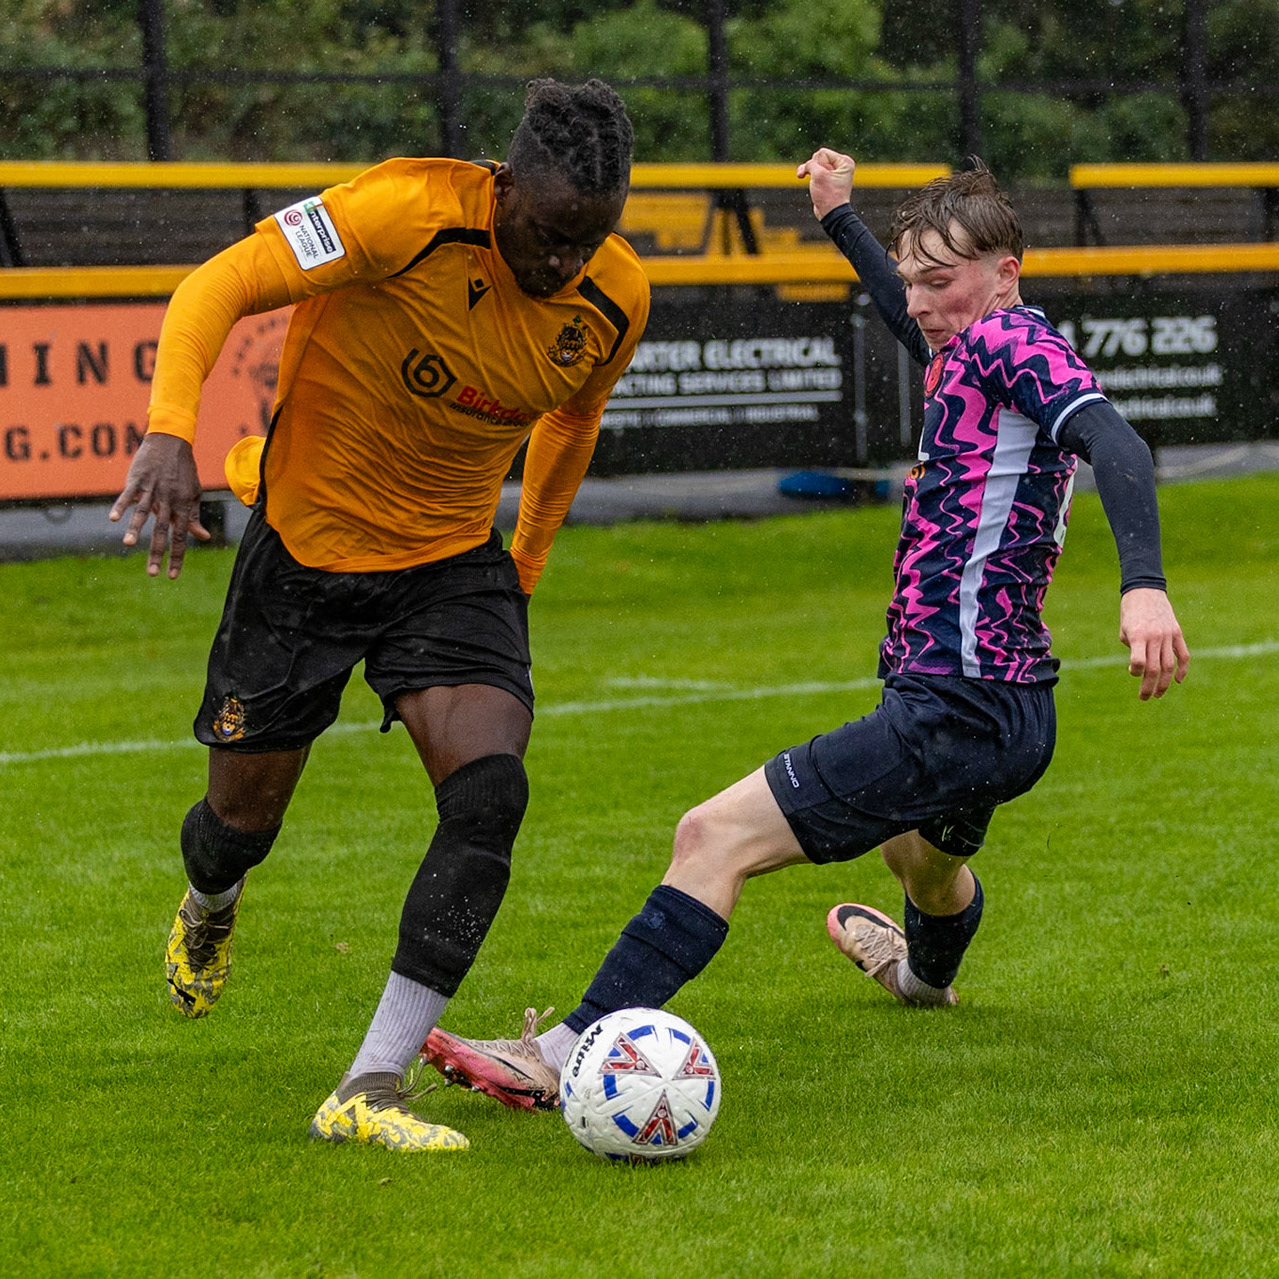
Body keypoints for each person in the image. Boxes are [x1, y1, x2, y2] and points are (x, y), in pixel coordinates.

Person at [420, 148, 1191, 1115]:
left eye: (939, 282)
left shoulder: (1010, 344)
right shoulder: (966, 348)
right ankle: (921, 977)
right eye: (911, 281)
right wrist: (838, 218)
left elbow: (1115, 440)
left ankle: (558, 1052)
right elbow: (899, 306)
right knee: (918, 861)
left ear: (1006, 273)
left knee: (710, 835)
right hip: (1005, 709)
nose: (918, 303)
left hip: (957, 702)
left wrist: (1144, 587)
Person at [108, 79, 649, 1152]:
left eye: (588, 241)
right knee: (236, 827)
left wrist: (525, 563)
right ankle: (210, 904)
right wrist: (170, 429)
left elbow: (571, 424)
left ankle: (370, 1082)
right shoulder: (400, 213)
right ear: (505, 187)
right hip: (305, 556)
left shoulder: (612, 301)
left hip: (450, 565)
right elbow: (218, 284)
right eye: (548, 235)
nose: (563, 264)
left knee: (489, 795)